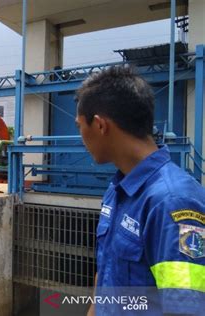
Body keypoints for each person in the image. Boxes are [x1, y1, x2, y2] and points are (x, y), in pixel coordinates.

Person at [75, 66, 205, 315]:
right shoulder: (117, 190)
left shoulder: (173, 202)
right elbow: (105, 273)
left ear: (100, 125)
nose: (80, 136)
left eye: (80, 126)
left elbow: (186, 307)